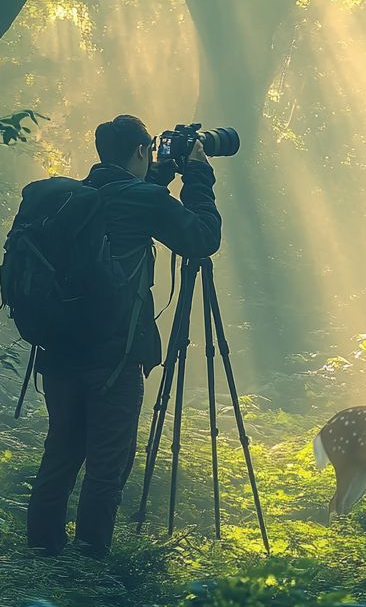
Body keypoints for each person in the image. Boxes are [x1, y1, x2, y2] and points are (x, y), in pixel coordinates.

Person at [26, 115, 222, 556]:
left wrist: (158, 177)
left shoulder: (74, 197)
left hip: (58, 354)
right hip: (113, 358)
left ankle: (41, 557)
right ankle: (90, 566)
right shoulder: (143, 200)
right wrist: (198, 173)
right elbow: (202, 237)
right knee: (106, 467)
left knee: (60, 455)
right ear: (140, 150)